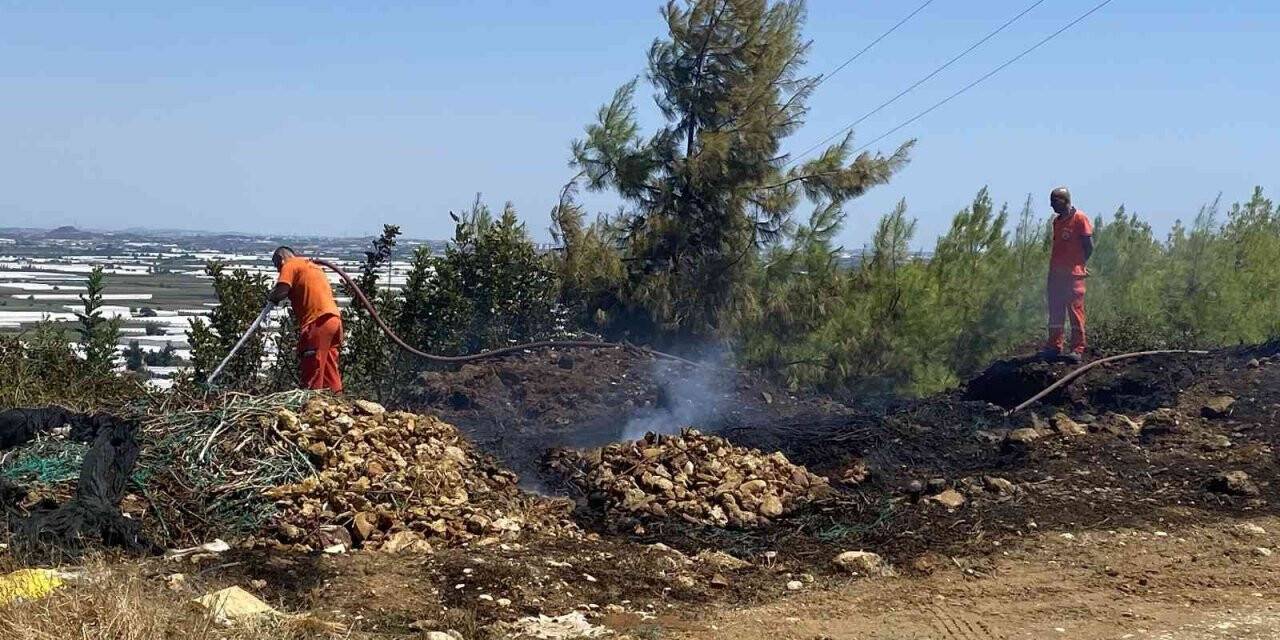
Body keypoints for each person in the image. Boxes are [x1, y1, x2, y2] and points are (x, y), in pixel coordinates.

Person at [268, 246, 344, 391]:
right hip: (334, 321)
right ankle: (336, 402)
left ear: (281, 259)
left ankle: (311, 406)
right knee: (328, 366)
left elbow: (281, 291)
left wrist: (271, 297)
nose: (278, 270)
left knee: (312, 365)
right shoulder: (312, 267)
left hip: (318, 322)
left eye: (277, 266)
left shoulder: (290, 265)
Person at [1041, 187, 1094, 364]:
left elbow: (1089, 246)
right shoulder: (1056, 222)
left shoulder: (1080, 218)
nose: (1051, 205)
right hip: (1056, 275)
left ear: (1065, 200)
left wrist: (1079, 264)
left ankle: (1078, 349)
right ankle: (1054, 345)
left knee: (1075, 311)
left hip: (1073, 276)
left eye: (1055, 201)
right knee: (1055, 311)